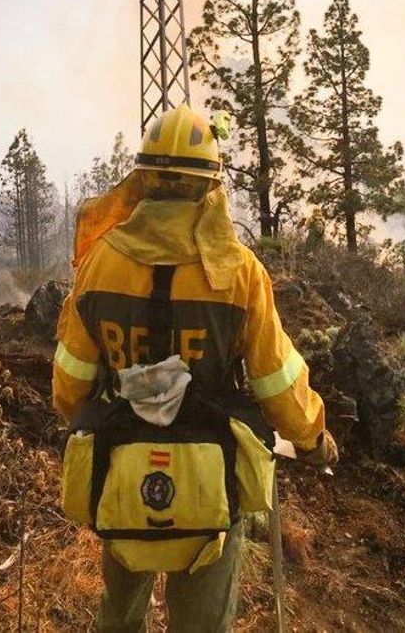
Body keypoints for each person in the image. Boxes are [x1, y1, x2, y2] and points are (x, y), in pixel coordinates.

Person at [51, 104, 338, 632]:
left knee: (118, 620)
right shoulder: (238, 273)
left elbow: (70, 385)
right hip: (213, 481)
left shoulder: (99, 264)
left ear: (144, 182)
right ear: (209, 186)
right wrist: (314, 436)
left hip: (120, 468)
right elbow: (276, 381)